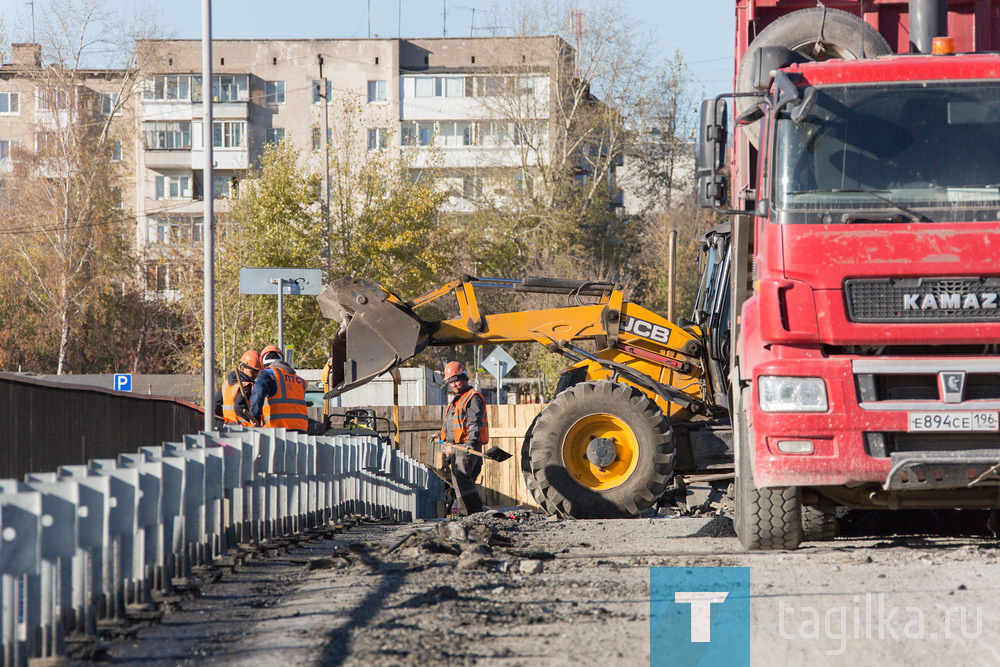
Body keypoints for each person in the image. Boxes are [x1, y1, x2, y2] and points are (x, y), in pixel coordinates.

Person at [440, 360, 489, 515]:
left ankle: (473, 512)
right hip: (457, 446)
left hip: (466, 446)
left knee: (461, 478)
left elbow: (475, 423)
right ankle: (467, 513)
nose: (453, 385)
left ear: (464, 378)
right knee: (459, 480)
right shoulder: (457, 400)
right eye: (450, 382)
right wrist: (439, 436)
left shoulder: (472, 397)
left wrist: (470, 443)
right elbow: (452, 425)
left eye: (456, 380)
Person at [249, 344, 309, 433]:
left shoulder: (268, 373)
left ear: (262, 362)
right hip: (301, 429)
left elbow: (258, 392)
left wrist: (254, 416)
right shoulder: (300, 380)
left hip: (278, 429)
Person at [215, 349, 262, 426]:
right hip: (244, 429)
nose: (255, 375)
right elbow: (239, 408)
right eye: (252, 371)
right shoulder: (246, 385)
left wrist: (226, 417)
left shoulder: (226, 384)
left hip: (228, 427)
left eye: (257, 371)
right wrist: (251, 420)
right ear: (242, 368)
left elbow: (214, 404)